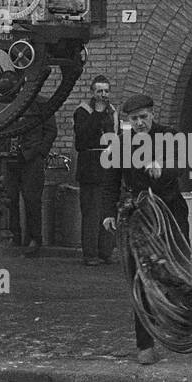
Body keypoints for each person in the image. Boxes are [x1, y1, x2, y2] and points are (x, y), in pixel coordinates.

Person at [103, 92, 189, 365]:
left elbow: (183, 165)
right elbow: (111, 180)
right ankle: (145, 344)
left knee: (176, 273)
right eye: (134, 119)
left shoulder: (170, 136)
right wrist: (107, 213)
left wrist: (161, 166)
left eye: (143, 117)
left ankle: (181, 326)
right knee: (142, 278)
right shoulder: (121, 144)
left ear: (153, 114)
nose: (139, 123)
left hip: (171, 213)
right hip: (139, 216)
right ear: (128, 120)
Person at [3, 96, 58, 257]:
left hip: (32, 159)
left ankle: (34, 239)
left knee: (32, 199)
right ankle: (16, 235)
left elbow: (51, 131)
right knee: (10, 197)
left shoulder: (42, 104)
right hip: (11, 158)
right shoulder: (10, 103)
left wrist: (40, 152)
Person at [74, 74, 119, 266]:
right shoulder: (83, 111)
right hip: (90, 166)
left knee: (108, 210)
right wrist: (98, 113)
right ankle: (90, 253)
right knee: (91, 212)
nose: (103, 95)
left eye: (106, 91)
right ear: (92, 92)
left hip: (109, 164)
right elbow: (82, 138)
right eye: (99, 91)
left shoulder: (113, 112)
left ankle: (105, 251)